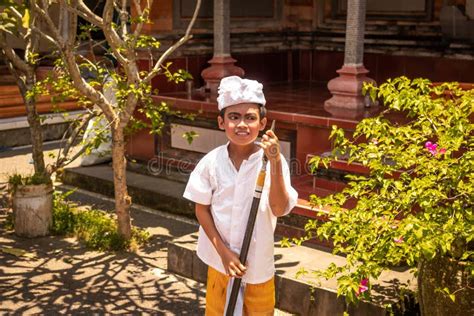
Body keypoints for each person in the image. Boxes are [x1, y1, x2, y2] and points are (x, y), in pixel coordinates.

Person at [183, 76, 298, 315]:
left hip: (257, 265)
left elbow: (279, 208)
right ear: (221, 122)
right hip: (220, 263)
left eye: (250, 117)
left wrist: (275, 162)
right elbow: (201, 209)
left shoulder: (273, 162)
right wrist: (223, 253)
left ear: (263, 123)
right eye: (234, 117)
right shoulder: (211, 163)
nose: (242, 124)